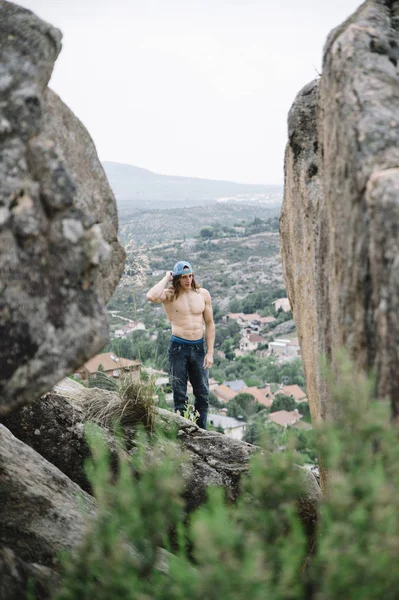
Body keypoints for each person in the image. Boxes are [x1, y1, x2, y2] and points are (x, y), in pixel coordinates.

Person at [146, 260, 215, 429]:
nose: (188, 280)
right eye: (184, 277)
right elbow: (151, 296)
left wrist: (210, 352)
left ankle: (202, 431)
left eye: (190, 276)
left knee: (202, 394)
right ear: (176, 278)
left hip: (199, 348)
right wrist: (166, 277)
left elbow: (210, 324)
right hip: (179, 348)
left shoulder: (203, 294)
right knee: (180, 395)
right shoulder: (170, 295)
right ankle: (182, 431)